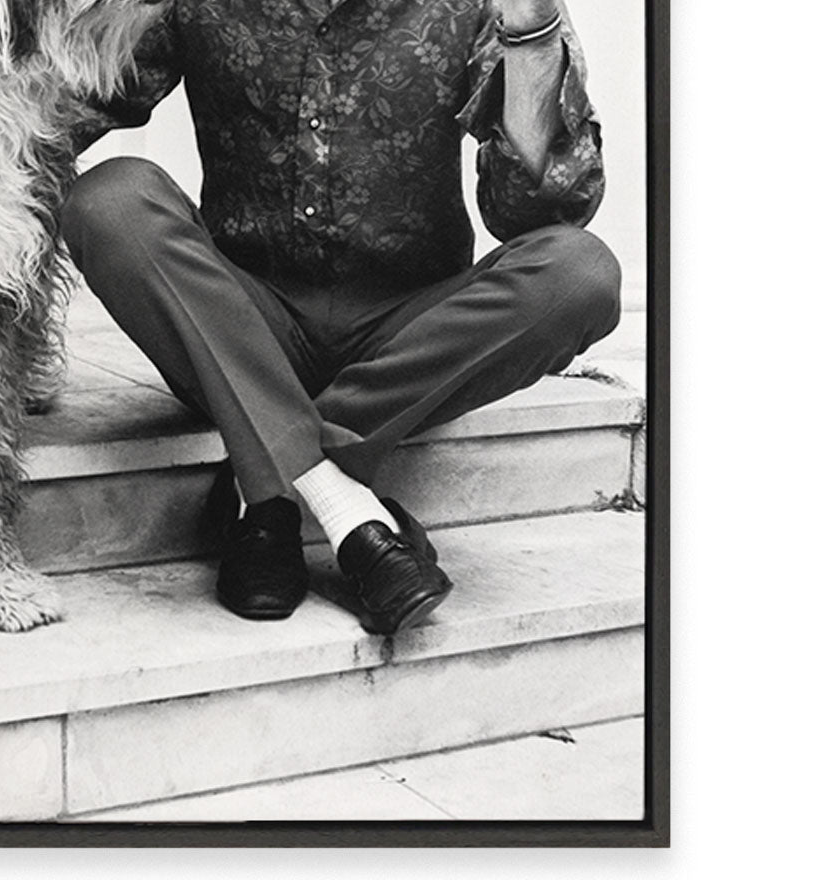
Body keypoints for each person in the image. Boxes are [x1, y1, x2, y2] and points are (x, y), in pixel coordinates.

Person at [62, 0, 621, 635]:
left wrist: (530, 35)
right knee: (110, 199)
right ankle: (348, 511)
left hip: (409, 341)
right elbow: (60, 104)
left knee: (580, 272)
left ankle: (263, 486)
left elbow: (536, 212)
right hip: (237, 331)